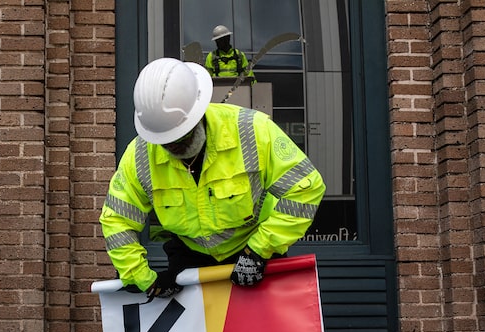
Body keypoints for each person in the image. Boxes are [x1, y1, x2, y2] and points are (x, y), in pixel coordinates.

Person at [99, 58, 325, 300]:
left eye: (180, 136)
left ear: (198, 115)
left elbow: (305, 187)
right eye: (166, 141)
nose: (174, 146)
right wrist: (144, 278)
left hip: (255, 247)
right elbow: (117, 221)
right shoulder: (140, 156)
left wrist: (259, 250)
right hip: (189, 255)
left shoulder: (251, 131)